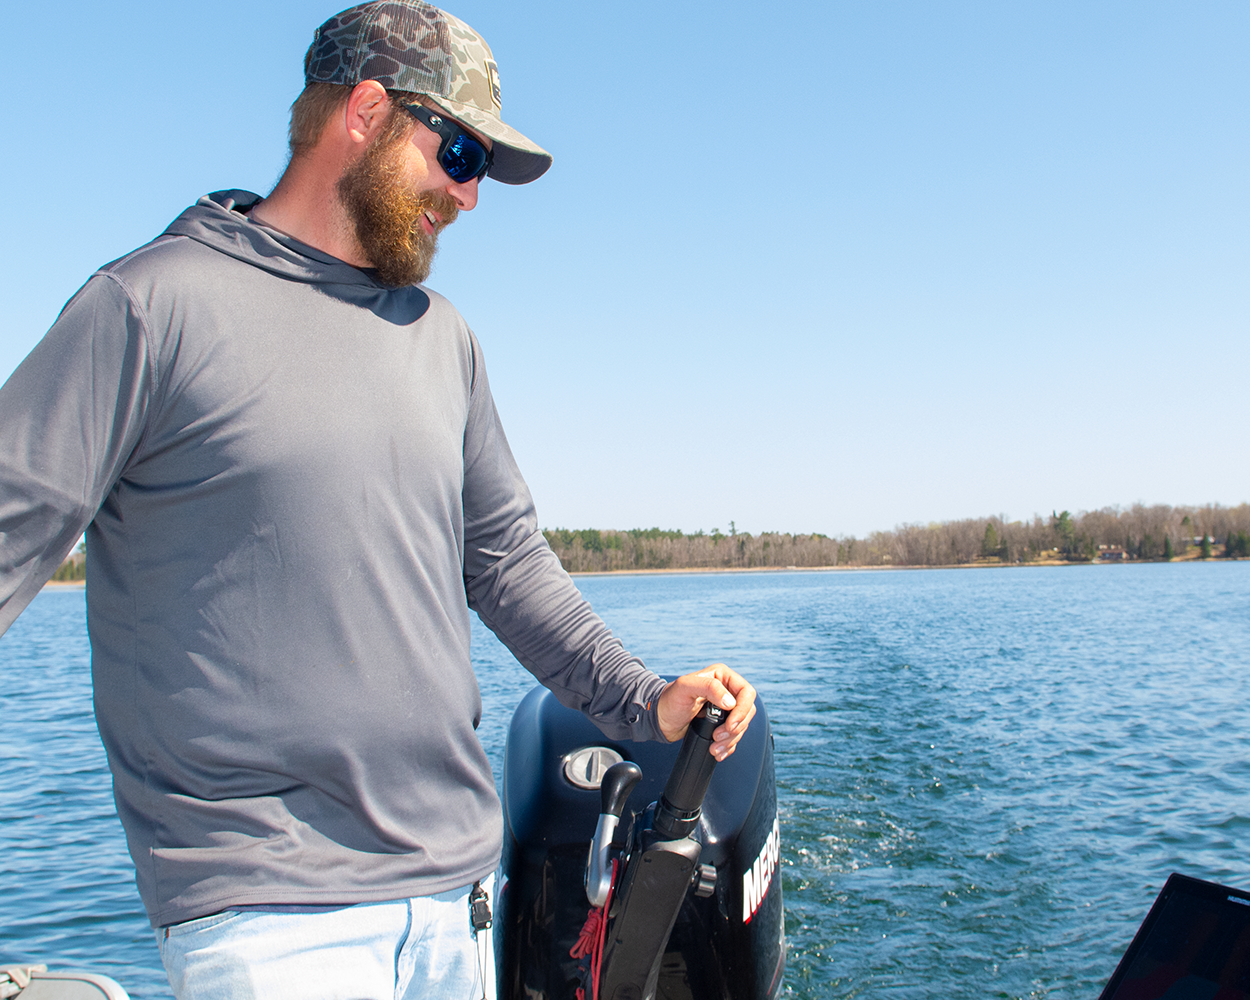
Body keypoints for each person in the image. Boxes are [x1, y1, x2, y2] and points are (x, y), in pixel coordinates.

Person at [0, 2, 756, 997]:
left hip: (454, 903)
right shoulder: (150, 307)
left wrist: (641, 697)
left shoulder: (442, 338)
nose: (469, 194)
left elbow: (504, 561)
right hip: (265, 920)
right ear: (363, 113)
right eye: (457, 151)